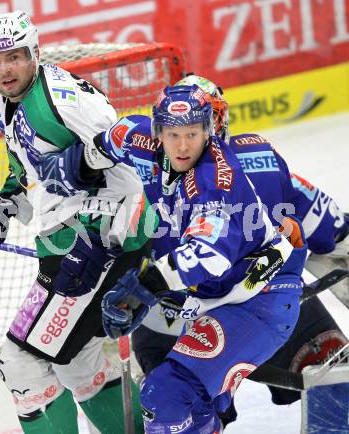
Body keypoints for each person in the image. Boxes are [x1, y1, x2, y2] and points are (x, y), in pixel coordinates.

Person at [0, 10, 149, 434]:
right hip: (66, 242)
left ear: (35, 54)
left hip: (105, 243)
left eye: (14, 56)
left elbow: (134, 167)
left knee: (21, 362)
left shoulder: (65, 99)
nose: (4, 69)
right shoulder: (1, 100)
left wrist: (109, 239)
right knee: (79, 364)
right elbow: (24, 169)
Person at [130, 74, 349, 427]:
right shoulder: (256, 155)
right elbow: (331, 226)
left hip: (199, 307)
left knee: (170, 399)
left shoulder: (144, 165)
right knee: (332, 366)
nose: (185, 142)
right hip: (245, 303)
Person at [93, 83, 308, 433]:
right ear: (157, 131)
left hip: (257, 299)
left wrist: (143, 288)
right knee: (187, 400)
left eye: (192, 134)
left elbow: (208, 256)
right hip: (213, 297)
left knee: (167, 395)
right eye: (173, 134)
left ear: (208, 131)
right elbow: (107, 142)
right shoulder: (139, 137)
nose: (182, 145)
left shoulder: (215, 182)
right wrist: (77, 168)